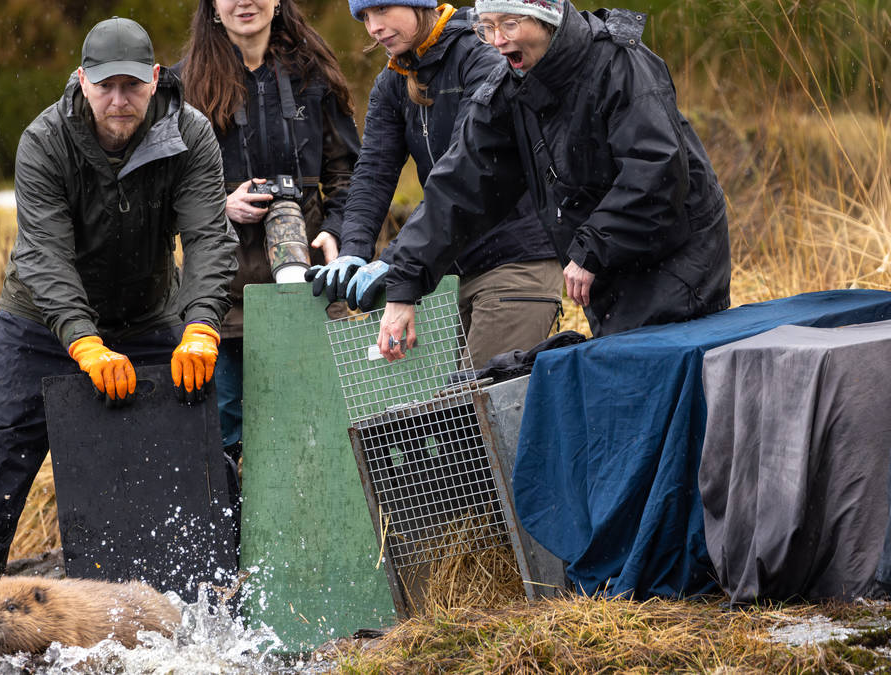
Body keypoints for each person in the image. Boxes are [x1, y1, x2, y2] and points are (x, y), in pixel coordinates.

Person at [0, 17, 238, 610]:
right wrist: (84, 343)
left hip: (148, 320)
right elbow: (45, 256)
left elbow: (208, 239)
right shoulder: (44, 141)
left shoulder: (191, 136)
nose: (119, 101)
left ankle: (196, 617)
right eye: (105, 87)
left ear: (155, 78)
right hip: (38, 325)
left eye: (132, 87)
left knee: (192, 462)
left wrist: (200, 326)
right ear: (81, 81)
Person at [366, 0, 731, 359]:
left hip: (678, 254)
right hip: (603, 264)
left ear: (547, 17)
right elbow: (460, 186)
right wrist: (404, 279)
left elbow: (656, 170)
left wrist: (593, 247)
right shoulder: (509, 89)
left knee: (665, 376)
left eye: (509, 24)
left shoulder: (618, 63)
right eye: (486, 27)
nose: (496, 40)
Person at [309, 0, 561, 368]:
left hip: (514, 261)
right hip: (443, 269)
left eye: (381, 10)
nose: (374, 27)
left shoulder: (481, 56)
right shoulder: (393, 80)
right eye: (364, 17)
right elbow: (373, 173)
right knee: (443, 417)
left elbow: (465, 171)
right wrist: (355, 250)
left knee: (485, 406)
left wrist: (395, 261)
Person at [174, 0, 360, 456]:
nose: (245, 2)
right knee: (223, 436)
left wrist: (336, 229)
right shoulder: (182, 84)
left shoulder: (314, 73)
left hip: (308, 284)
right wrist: (221, 205)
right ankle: (232, 528)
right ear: (213, 7)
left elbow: (349, 173)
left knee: (319, 426)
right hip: (220, 296)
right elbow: (160, 189)